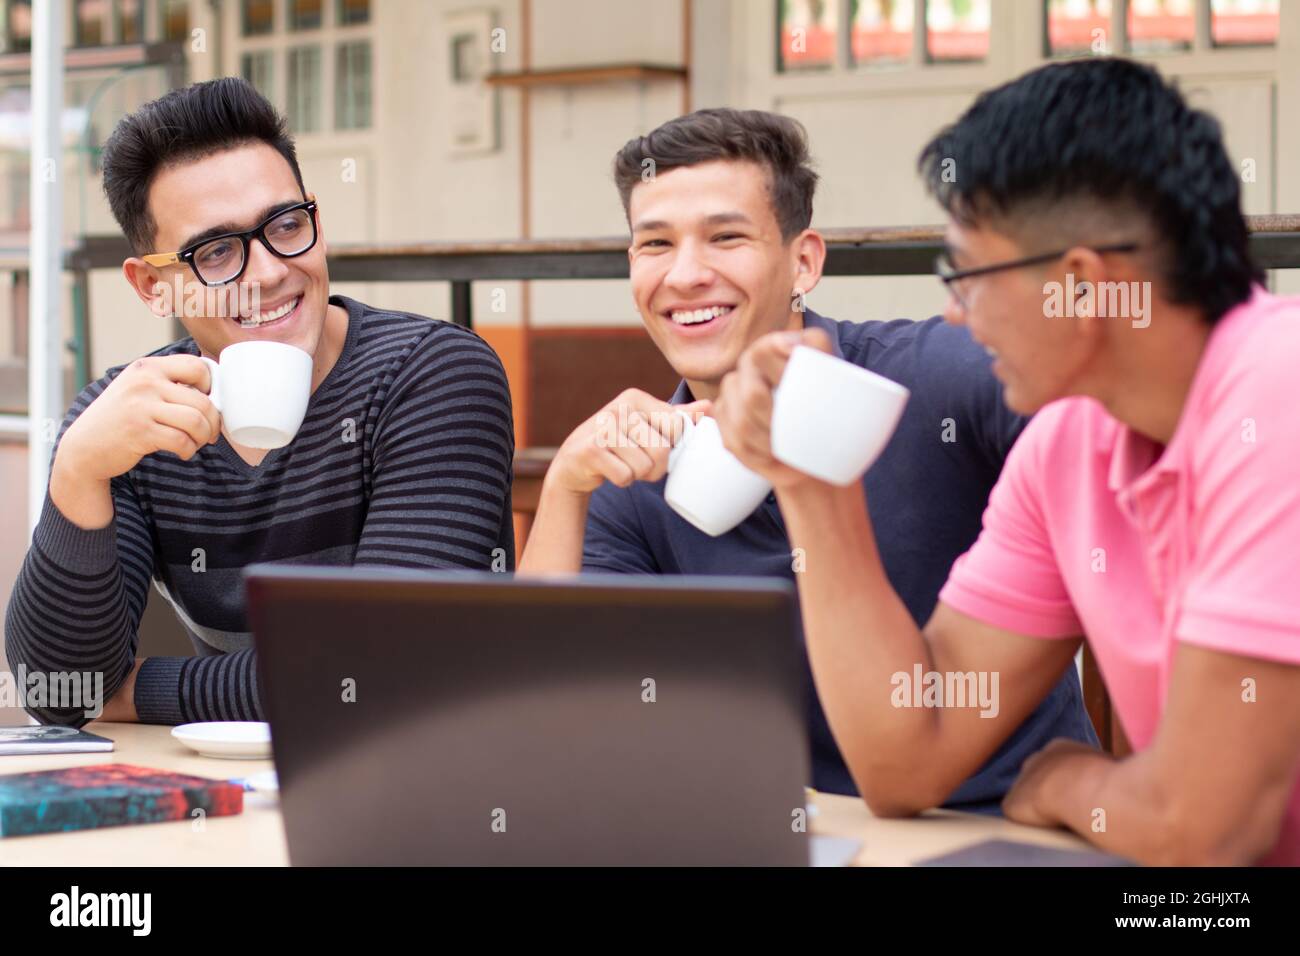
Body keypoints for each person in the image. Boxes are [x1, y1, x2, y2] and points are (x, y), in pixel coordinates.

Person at [713, 58, 1300, 864]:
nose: (955, 316)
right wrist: (810, 480)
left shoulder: (1279, 391)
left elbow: (1203, 830)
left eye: (970, 276)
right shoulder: (1069, 443)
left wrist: (1061, 780)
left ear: (1083, 287)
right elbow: (904, 757)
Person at [519, 107, 1096, 809]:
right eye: (655, 245)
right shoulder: (633, 474)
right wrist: (566, 488)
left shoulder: (935, 378)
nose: (687, 274)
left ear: (804, 262)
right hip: (790, 835)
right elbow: (538, 728)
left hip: (1005, 829)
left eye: (726, 237)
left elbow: (1115, 425)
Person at [5, 78, 515, 726]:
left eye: (286, 225)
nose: (269, 270)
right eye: (215, 251)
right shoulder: (126, 424)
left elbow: (386, 666)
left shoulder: (432, 376)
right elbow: (61, 692)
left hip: (432, 791)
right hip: (227, 799)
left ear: (317, 224)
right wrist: (77, 471)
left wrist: (136, 692)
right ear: (152, 286)